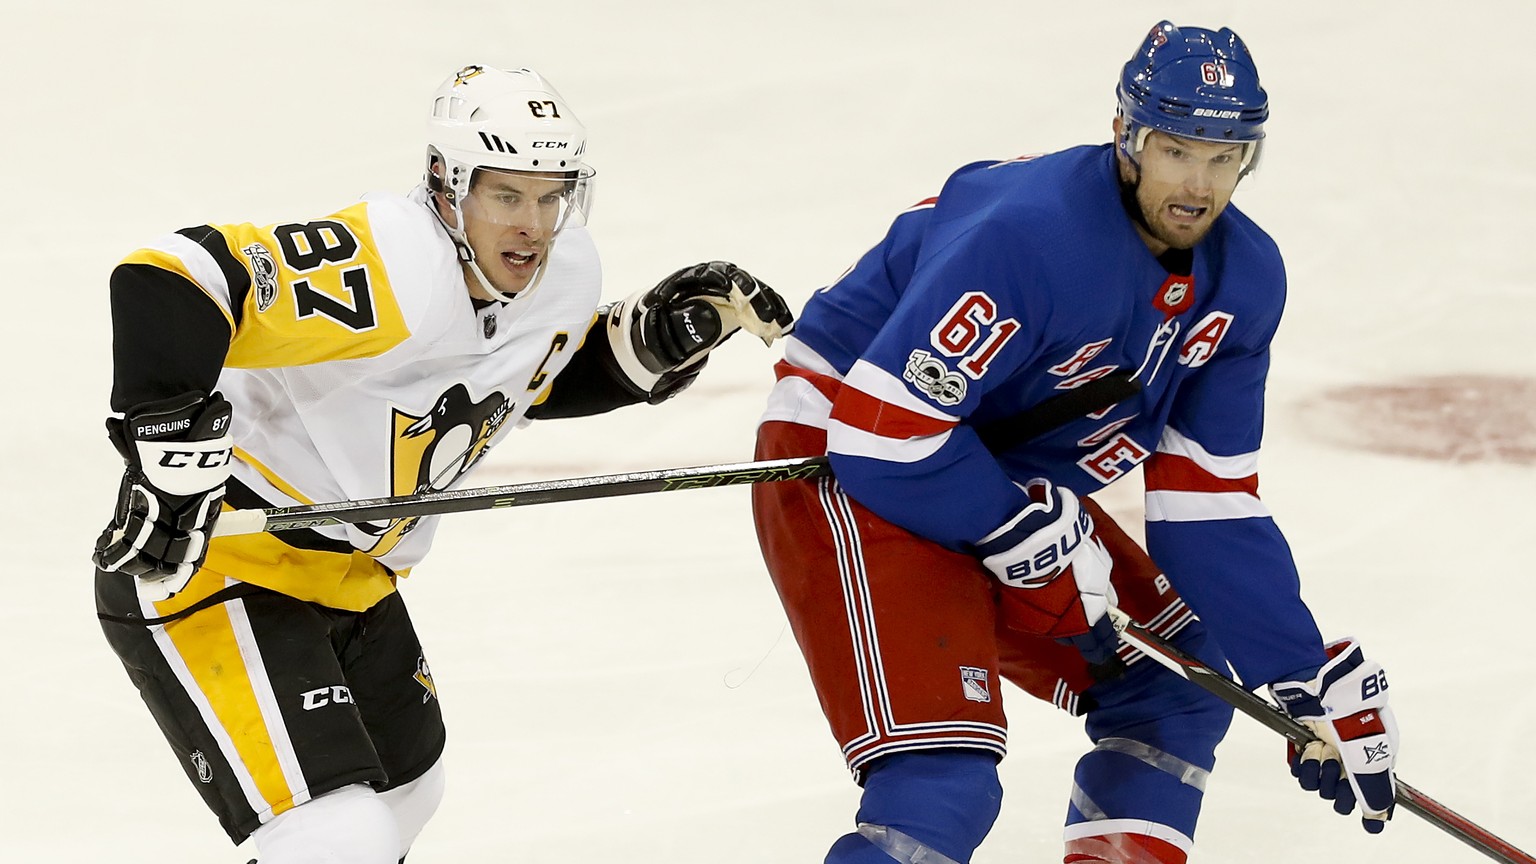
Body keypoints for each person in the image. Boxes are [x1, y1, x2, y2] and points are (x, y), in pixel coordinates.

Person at [92, 63, 793, 864]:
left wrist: (637, 350)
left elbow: (515, 378)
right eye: (506, 195)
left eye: (551, 194)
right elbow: (172, 276)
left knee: (406, 793)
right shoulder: (394, 260)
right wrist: (168, 456)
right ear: (445, 186)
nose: (534, 223)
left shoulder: (563, 276)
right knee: (335, 839)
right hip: (223, 563)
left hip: (355, 579)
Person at [751, 21, 1399, 864]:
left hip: (989, 472)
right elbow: (884, 432)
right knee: (941, 775)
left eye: (1224, 156)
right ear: (1129, 136)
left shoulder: (1245, 278)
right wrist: (1010, 530)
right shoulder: (1032, 235)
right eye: (1177, 150)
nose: (1199, 184)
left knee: (1174, 688)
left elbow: (1206, 499)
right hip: (846, 456)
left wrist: (1297, 667)